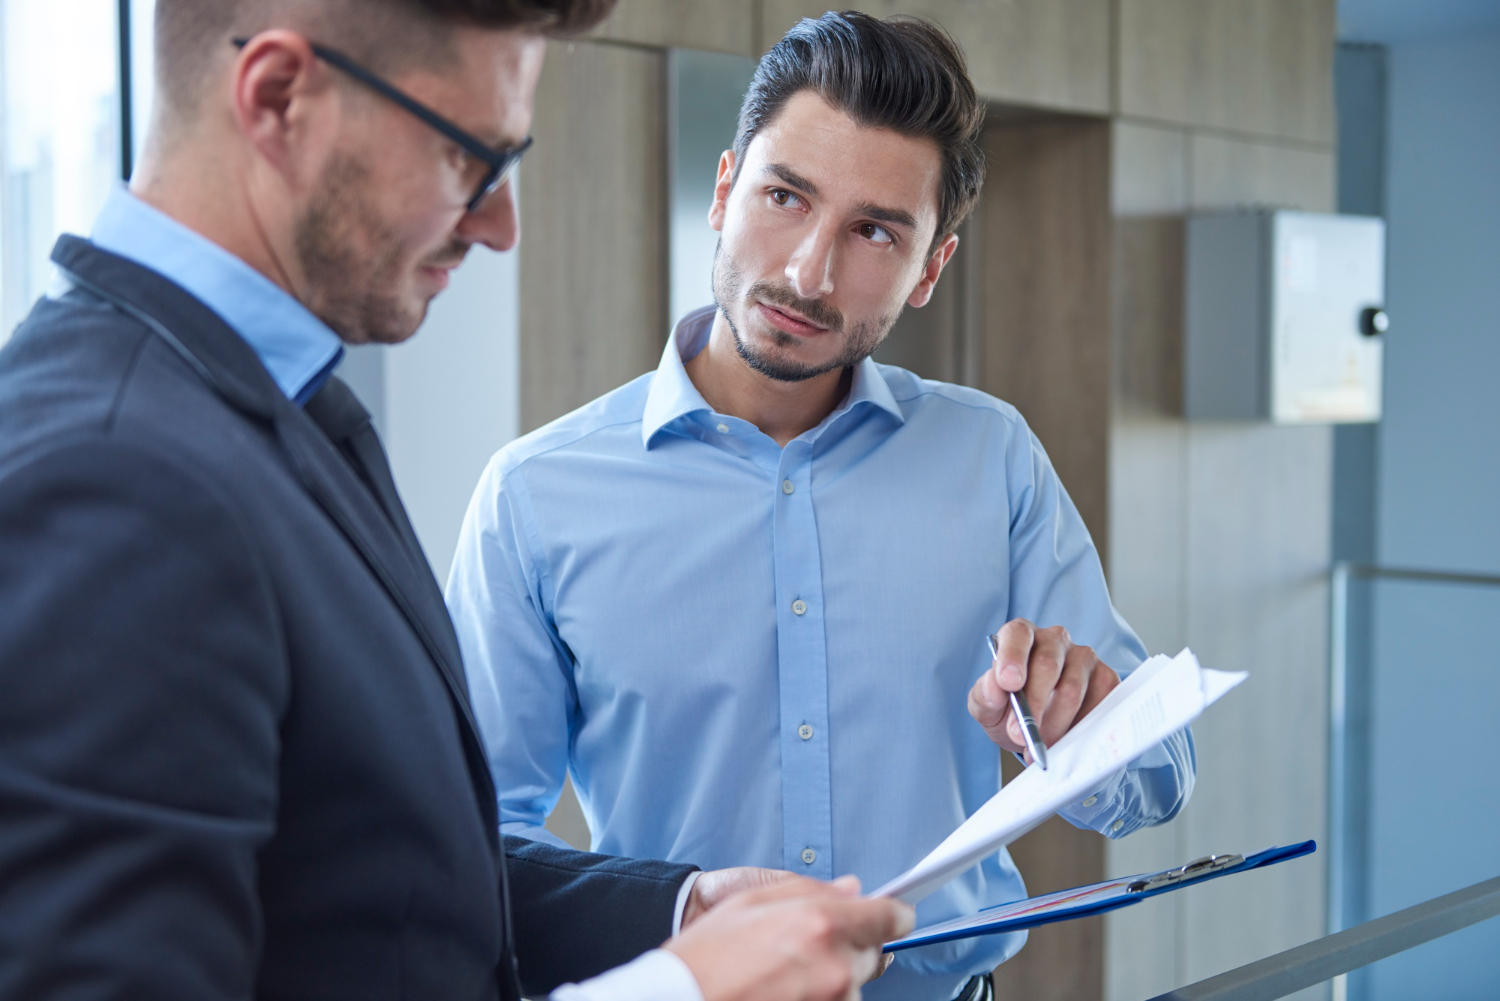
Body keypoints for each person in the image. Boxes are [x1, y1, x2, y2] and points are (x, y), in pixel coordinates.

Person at [0, 1, 913, 999]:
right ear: (277, 98)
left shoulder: (275, 409)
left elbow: (387, 875)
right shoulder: (116, 478)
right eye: (465, 159)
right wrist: (677, 992)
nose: (499, 224)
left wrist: (677, 911)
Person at [447, 11, 1197, 1001]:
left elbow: (1158, 778)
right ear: (725, 191)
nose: (808, 271)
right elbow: (470, 841)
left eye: (874, 230)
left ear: (932, 267)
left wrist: (1079, 729)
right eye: (785, 196)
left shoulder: (993, 456)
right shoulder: (536, 494)